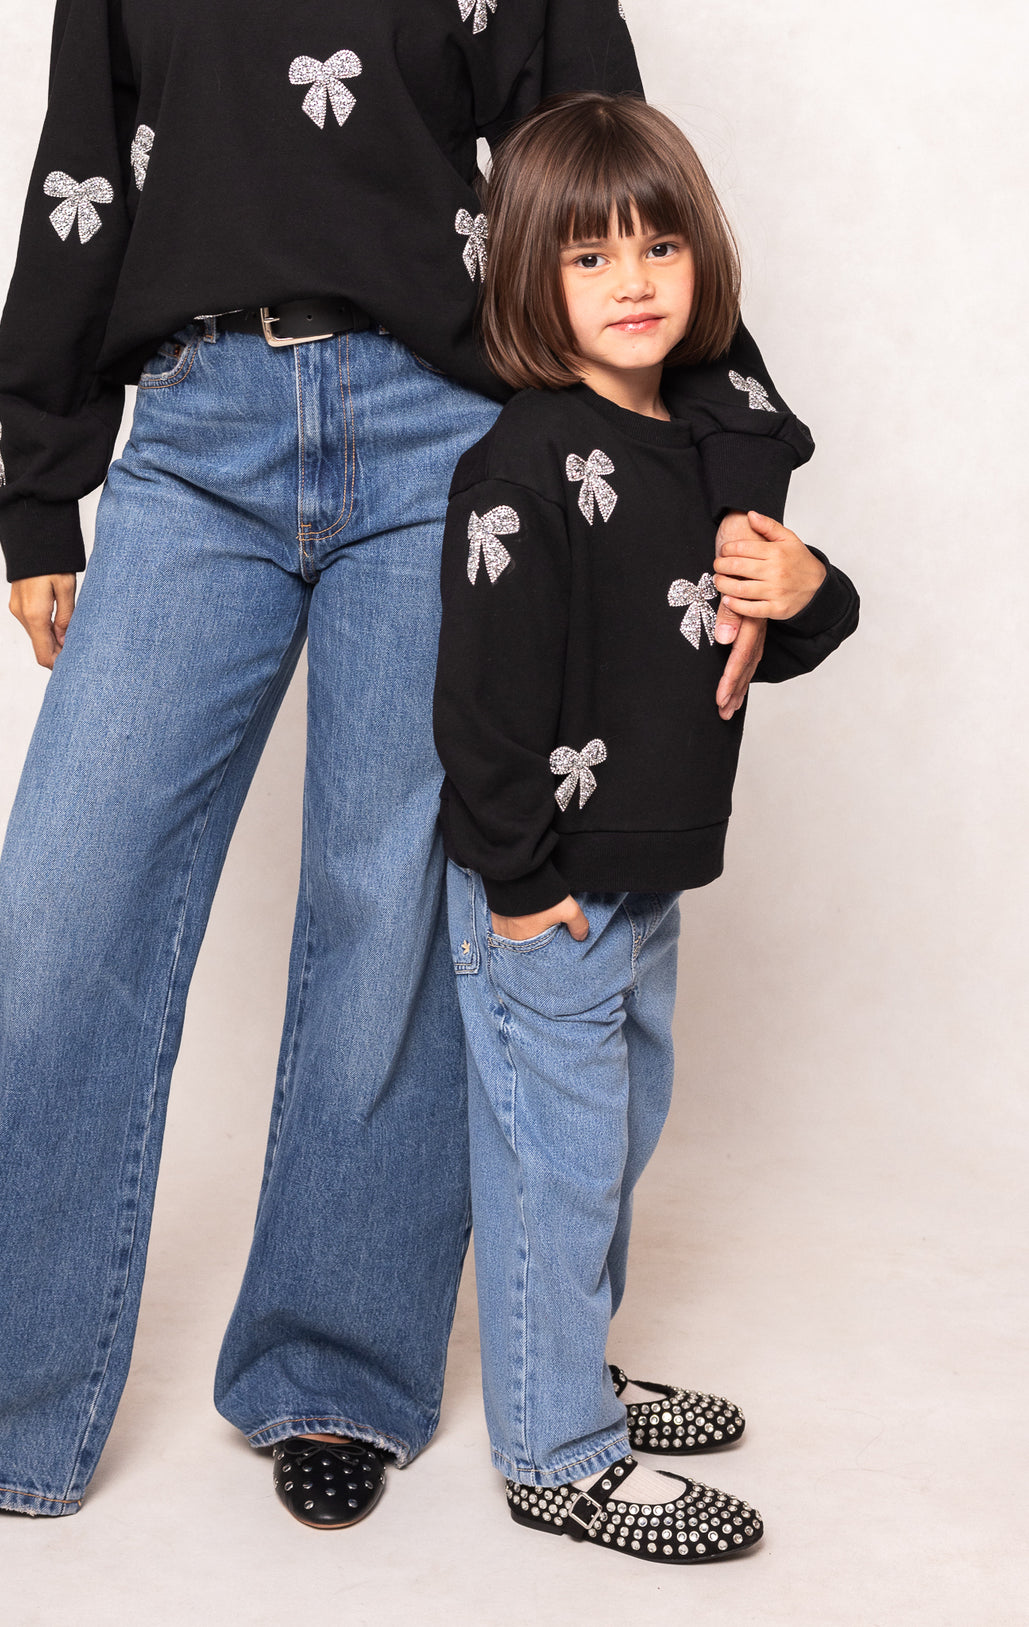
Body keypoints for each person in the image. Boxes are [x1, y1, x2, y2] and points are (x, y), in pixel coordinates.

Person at [0, 3, 813, 1527]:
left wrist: (734, 481)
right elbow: (80, 173)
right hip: (194, 433)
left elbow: (611, 183)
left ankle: (333, 1373)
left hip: (447, 441)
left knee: (389, 911)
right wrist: (41, 487)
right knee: (62, 905)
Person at [433, 92, 860, 1566]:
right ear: (530, 278)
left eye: (659, 247)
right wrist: (514, 878)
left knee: (610, 1146)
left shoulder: (701, 444)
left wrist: (813, 592)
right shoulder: (520, 466)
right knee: (553, 1167)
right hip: (545, 886)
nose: (632, 281)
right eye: (590, 257)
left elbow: (751, 633)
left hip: (647, 875)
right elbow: (481, 703)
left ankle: (568, 1369)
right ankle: (556, 1453)